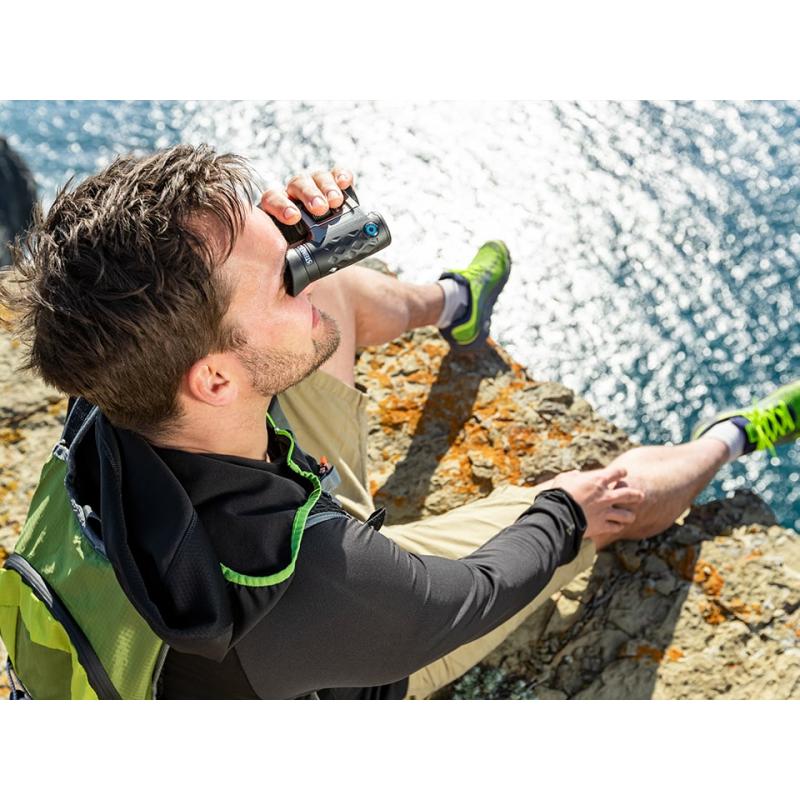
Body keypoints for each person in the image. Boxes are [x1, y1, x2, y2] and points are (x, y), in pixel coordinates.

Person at [0, 144, 797, 700]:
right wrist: (566, 511)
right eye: (281, 281)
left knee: (332, 296)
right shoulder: (325, 582)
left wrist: (277, 244)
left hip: (227, 558)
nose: (300, 268)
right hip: (340, 656)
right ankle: (731, 435)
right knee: (606, 494)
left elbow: (213, 309)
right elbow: (474, 594)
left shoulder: (107, 390)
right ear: (213, 379)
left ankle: (456, 302)